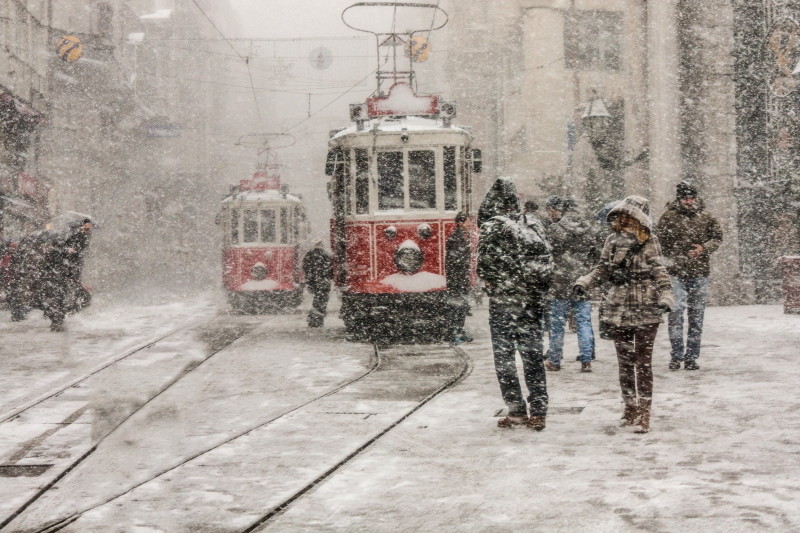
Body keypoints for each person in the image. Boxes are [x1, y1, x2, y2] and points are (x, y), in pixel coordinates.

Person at [573, 196, 674, 434]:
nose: (625, 219)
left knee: (643, 362)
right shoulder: (611, 240)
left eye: (629, 215)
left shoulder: (650, 240)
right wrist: (584, 282)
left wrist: (666, 296)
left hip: (646, 307)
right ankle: (630, 407)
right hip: (619, 307)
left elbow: (660, 271)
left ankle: (644, 412)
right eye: (622, 215)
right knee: (625, 362)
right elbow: (602, 268)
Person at [478, 177, 553, 430]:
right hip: (531, 302)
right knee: (532, 357)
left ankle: (516, 410)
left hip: (504, 302)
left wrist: (494, 284)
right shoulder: (533, 224)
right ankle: (539, 411)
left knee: (505, 360)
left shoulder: (492, 226)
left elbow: (483, 268)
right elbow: (547, 262)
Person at [656, 181, 722, 371]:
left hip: (699, 271)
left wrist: (704, 248)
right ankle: (676, 355)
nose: (689, 201)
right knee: (675, 313)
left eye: (691, 197)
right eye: (685, 198)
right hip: (675, 271)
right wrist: (671, 256)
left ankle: (692, 356)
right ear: (679, 199)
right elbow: (659, 242)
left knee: (697, 315)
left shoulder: (706, 216)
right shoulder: (668, 217)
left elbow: (718, 237)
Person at [543, 197, 597, 372]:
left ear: (563, 210)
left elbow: (547, 254)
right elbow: (595, 255)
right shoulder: (588, 229)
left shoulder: (555, 229)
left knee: (557, 324)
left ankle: (555, 359)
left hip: (560, 281)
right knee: (583, 322)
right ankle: (586, 359)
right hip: (582, 281)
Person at [445, 211, 473, 344]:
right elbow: (454, 261)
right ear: (460, 223)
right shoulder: (456, 238)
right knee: (456, 306)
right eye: (467, 221)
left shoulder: (461, 236)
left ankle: (459, 331)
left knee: (461, 306)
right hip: (457, 278)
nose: (469, 223)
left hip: (460, 277)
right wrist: (458, 278)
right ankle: (454, 333)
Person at [302, 240, 333, 327]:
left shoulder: (309, 254)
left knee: (317, 299)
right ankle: (316, 320)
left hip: (313, 282)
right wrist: (329, 276)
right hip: (323, 282)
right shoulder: (325, 254)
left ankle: (314, 319)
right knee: (321, 300)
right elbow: (331, 268)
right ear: (321, 245)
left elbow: (305, 267)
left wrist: (309, 280)